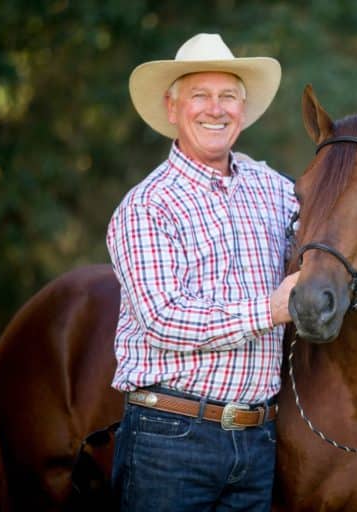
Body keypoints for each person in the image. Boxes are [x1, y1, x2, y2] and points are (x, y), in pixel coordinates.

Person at [106, 33, 299, 511]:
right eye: (200, 95)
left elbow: (333, 248)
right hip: (170, 438)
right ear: (173, 109)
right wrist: (270, 310)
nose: (216, 109)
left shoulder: (275, 190)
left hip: (256, 439)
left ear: (243, 107)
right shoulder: (147, 206)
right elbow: (165, 318)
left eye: (228, 96)